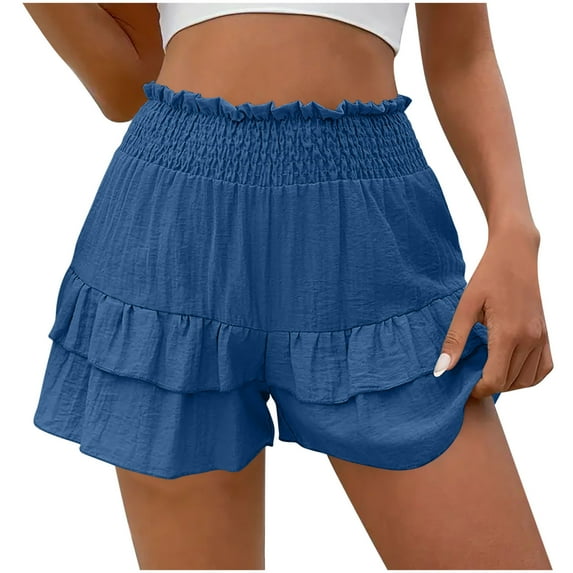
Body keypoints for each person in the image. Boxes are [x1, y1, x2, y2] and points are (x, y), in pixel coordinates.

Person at [25, 3, 553, 570]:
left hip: (369, 231)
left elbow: (462, 58)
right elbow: (126, 83)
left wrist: (514, 232)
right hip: (178, 228)